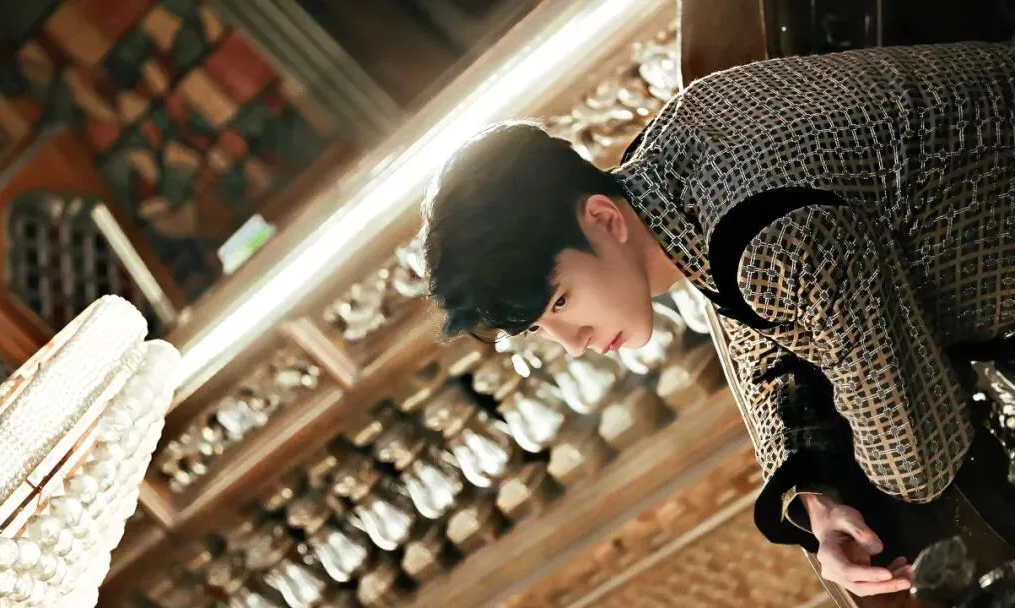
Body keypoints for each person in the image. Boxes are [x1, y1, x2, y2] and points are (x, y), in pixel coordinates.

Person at [419, 41, 1015, 597]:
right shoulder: (675, 161)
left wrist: (840, 487)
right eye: (539, 328)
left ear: (603, 219)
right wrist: (819, 498)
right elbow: (765, 354)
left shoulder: (764, 236)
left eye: (561, 303)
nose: (573, 345)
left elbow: (919, 460)